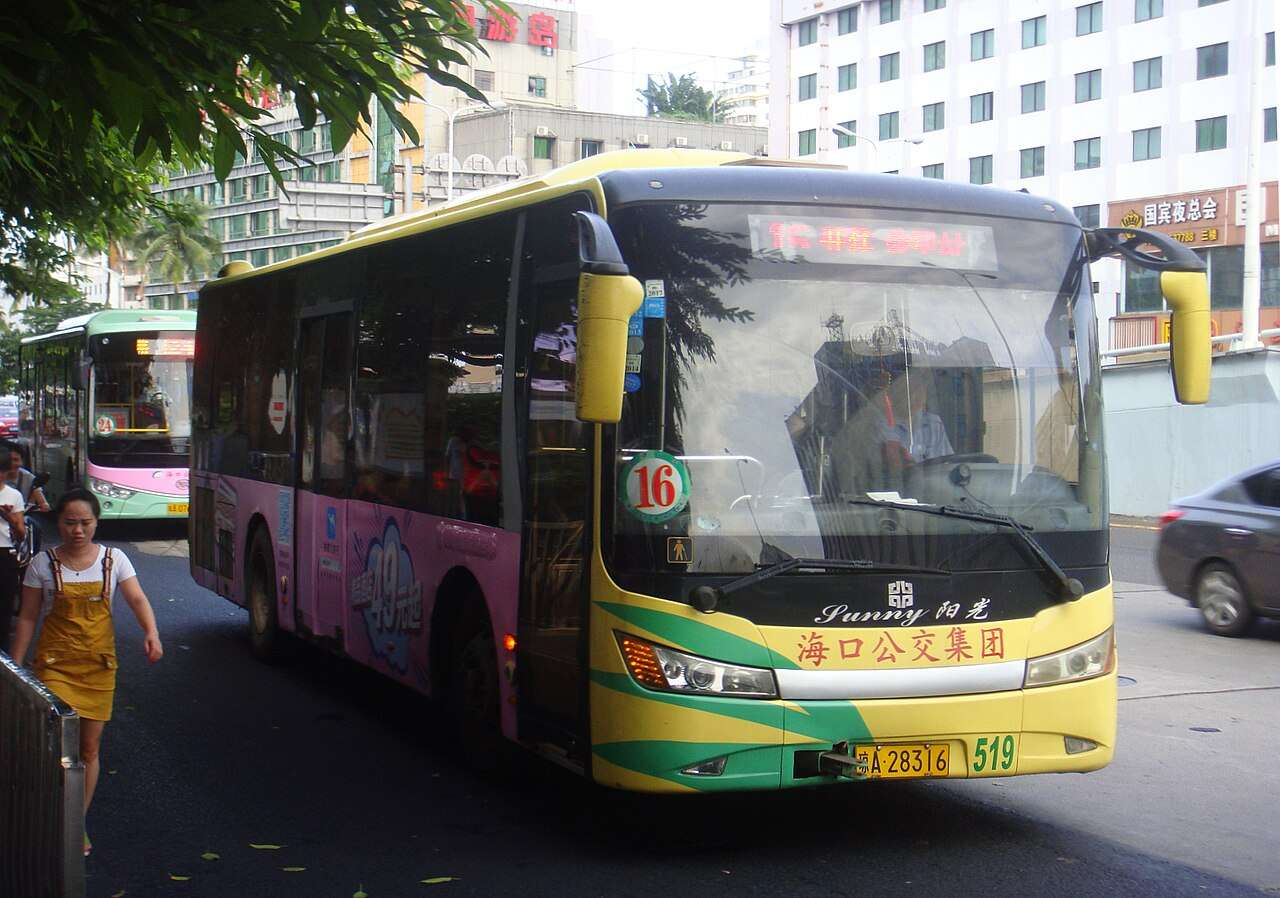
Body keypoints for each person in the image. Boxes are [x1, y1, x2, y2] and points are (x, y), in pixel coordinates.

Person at [9, 488, 163, 857]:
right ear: (58, 523)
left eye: (85, 523)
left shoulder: (115, 560)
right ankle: (49, 814)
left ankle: (76, 823)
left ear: (96, 523)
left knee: (89, 749)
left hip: (98, 668)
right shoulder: (41, 564)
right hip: (54, 668)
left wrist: (151, 632)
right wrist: (14, 671)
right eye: (70, 522)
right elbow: (28, 617)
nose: (78, 530)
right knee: (53, 749)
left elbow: (138, 598)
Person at [0, 449, 26, 654]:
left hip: (4, 555)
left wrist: (9, 519)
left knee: (5, 609)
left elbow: (21, 535)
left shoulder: (14, 495)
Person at [2, 439, 50, 512]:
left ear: (22, 461)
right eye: (9, 460)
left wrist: (43, 507)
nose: (12, 463)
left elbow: (43, 504)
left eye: (16, 460)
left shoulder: (29, 478)